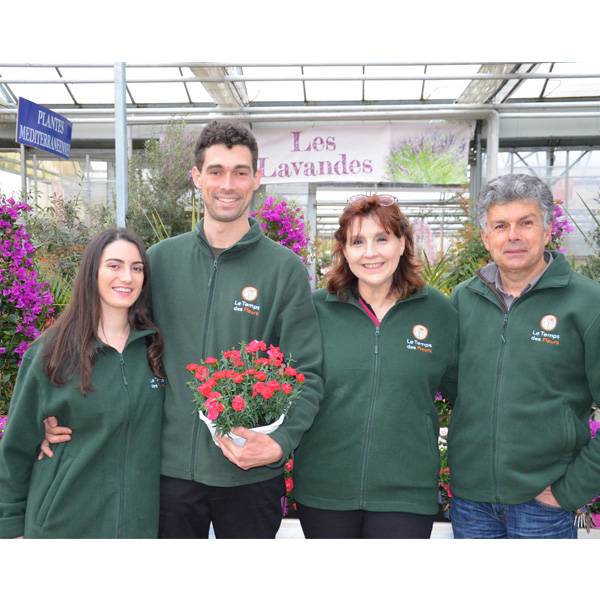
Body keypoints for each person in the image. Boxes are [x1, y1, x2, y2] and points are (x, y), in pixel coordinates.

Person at [44, 121, 323, 539]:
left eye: (240, 171)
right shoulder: (159, 262)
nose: (227, 184)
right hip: (165, 473)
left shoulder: (284, 271)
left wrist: (280, 442)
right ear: (197, 177)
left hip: (248, 473)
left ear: (257, 179)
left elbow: (307, 372)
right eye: (216, 171)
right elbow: (109, 341)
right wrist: (58, 411)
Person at [293, 194, 457, 538]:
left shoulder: (440, 314)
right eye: (358, 242)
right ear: (344, 250)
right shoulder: (316, 310)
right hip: (325, 493)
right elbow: (292, 390)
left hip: (406, 497)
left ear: (402, 243)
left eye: (382, 239)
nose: (370, 253)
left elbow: (466, 398)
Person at [448, 173, 600, 539]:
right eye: (500, 225)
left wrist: (571, 489)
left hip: (544, 505)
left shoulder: (587, 303)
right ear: (486, 238)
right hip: (471, 504)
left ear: (547, 231)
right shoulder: (461, 301)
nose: (512, 235)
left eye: (525, 223)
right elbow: (452, 389)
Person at [0, 228, 164, 538]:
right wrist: (9, 529)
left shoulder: (154, 349)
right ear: (93, 272)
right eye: (114, 265)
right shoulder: (52, 351)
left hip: (137, 528)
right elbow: (17, 447)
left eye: (136, 267)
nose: (127, 277)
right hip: (63, 524)